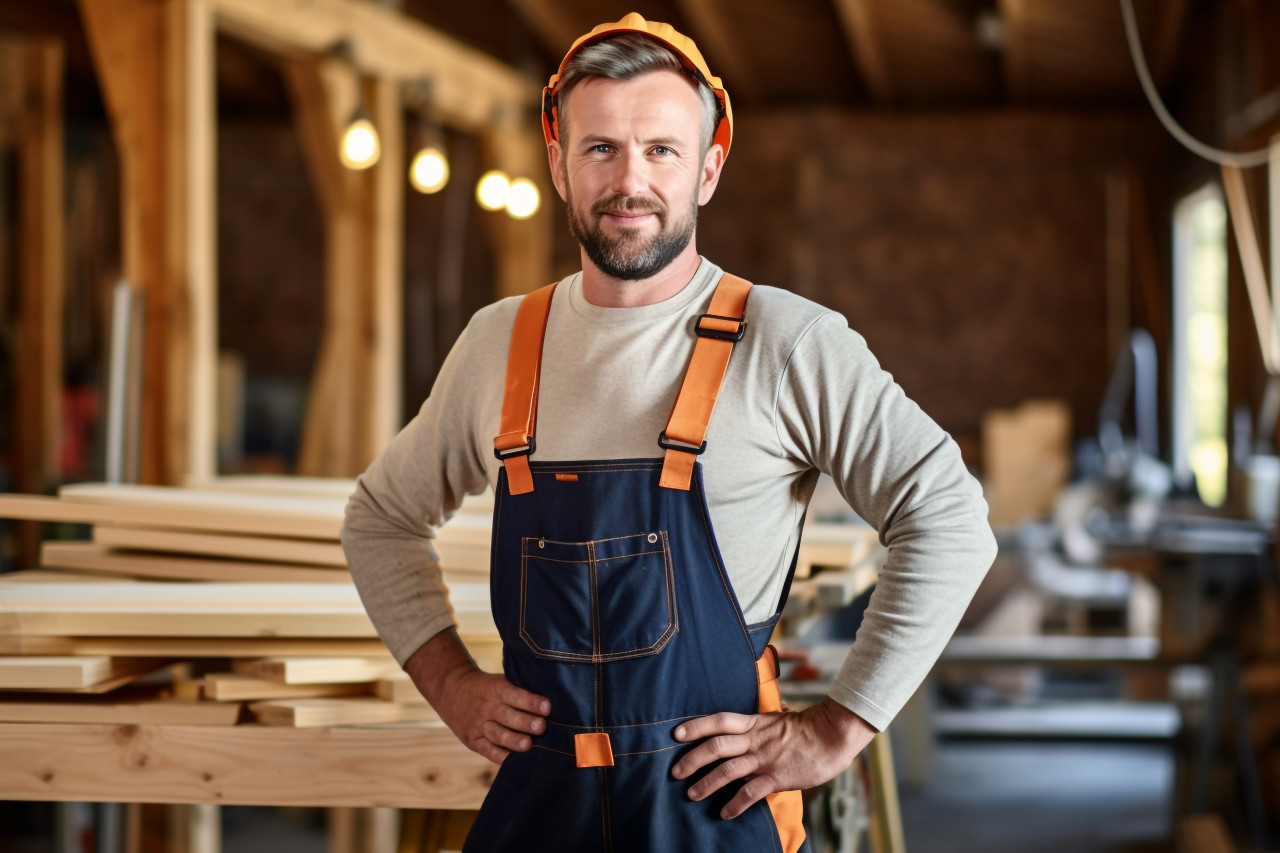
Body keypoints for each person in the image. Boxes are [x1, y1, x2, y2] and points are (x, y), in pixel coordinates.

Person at [342, 13, 996, 852]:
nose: (630, 181)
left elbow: (949, 517)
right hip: (539, 813)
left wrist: (835, 728)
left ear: (708, 170)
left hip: (714, 812)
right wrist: (448, 680)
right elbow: (380, 518)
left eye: (661, 149)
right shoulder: (500, 343)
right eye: (601, 148)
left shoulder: (786, 341)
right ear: (559, 165)